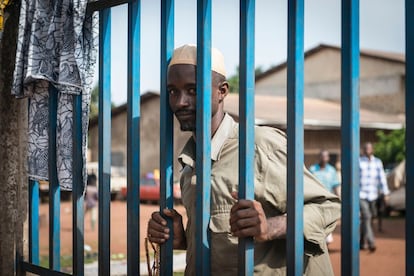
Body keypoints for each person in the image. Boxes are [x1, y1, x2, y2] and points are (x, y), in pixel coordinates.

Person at [147, 44, 341, 275]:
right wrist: (184, 238)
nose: (179, 102)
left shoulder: (259, 145)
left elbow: (328, 206)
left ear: (222, 91)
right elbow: (223, 242)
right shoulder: (189, 165)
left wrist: (271, 227)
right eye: (172, 91)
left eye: (193, 90)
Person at [359, 142, 390, 252]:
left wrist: (385, 193)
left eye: (369, 148)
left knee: (369, 218)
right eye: (365, 148)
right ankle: (371, 242)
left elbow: (382, 178)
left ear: (372, 149)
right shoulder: (359, 161)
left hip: (373, 195)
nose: (367, 150)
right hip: (361, 194)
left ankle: (362, 242)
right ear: (363, 150)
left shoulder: (377, 162)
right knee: (367, 216)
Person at [309, 150, 340, 244]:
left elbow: (335, 185)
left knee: (327, 220)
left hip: (328, 200)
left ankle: (325, 240)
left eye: (326, 156)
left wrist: (338, 198)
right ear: (319, 157)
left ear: (328, 158)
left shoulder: (332, 170)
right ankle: (320, 240)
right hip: (315, 199)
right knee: (317, 221)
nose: (324, 158)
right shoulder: (313, 169)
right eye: (322, 156)